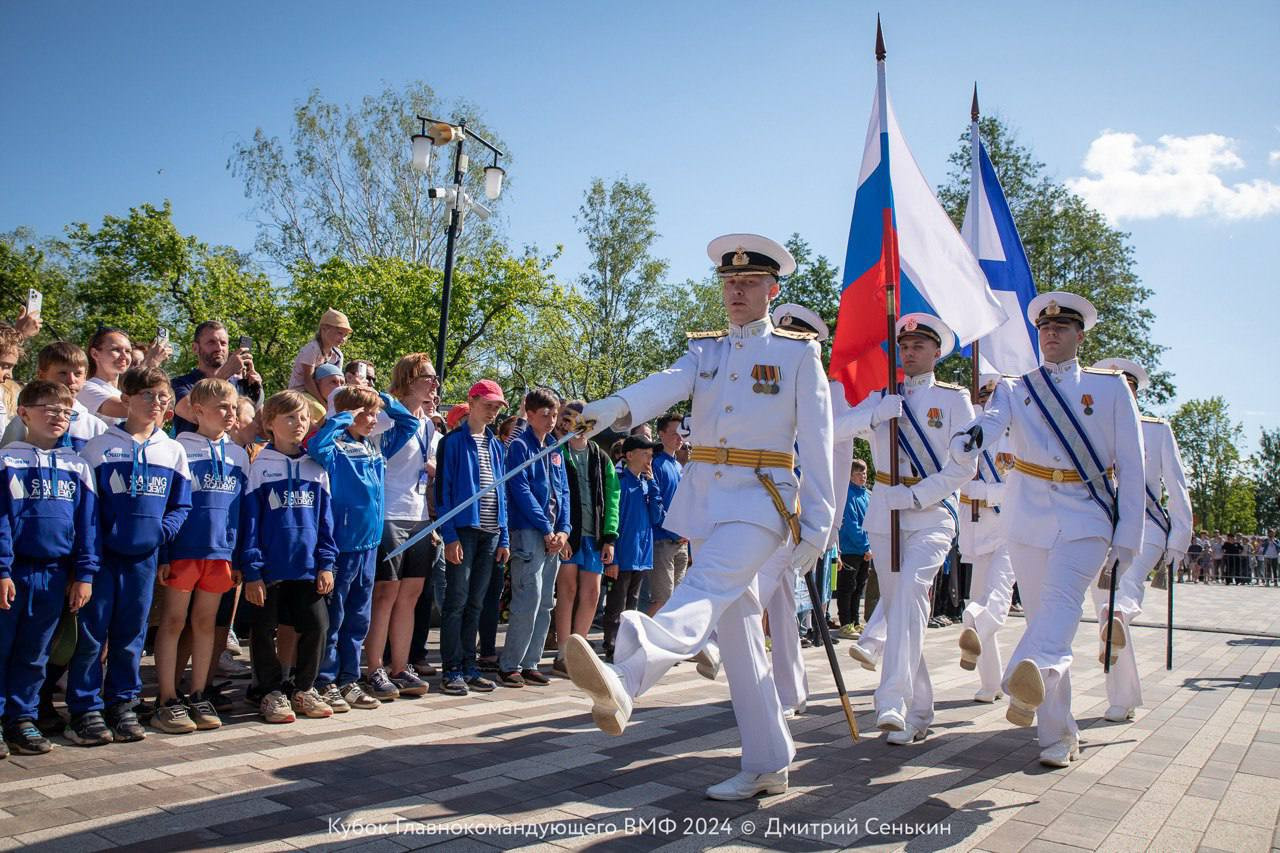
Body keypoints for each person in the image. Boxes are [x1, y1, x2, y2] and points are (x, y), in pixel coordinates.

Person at [569, 233, 835, 800]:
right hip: (709, 501)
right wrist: (612, 409)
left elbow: (818, 443)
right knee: (740, 640)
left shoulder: (796, 353)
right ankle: (769, 759)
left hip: (763, 499)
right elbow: (665, 386)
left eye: (749, 283)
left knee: (702, 586)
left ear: (773, 289)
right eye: (730, 282)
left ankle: (626, 677)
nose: (736, 291)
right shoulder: (705, 350)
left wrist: (818, 524)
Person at [953, 291, 1144, 768]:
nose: (1051, 335)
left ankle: (1033, 669)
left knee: (1060, 605)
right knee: (1043, 617)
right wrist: (971, 436)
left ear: (1080, 335)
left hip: (1088, 512)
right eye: (1044, 329)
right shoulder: (1017, 389)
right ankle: (1056, 736)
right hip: (1028, 515)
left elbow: (1135, 470)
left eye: (1061, 329)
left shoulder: (1110, 388)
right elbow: (993, 423)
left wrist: (1129, 539)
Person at [836, 313, 976, 745]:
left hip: (932, 511)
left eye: (920, 345)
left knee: (913, 590)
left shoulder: (954, 401)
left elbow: (964, 467)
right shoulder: (881, 396)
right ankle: (920, 711)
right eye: (905, 345)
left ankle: (891, 698)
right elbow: (833, 431)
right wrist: (872, 416)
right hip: (883, 512)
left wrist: (916, 496)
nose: (910, 352)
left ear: (937, 352)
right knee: (902, 608)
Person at [70, 367, 192, 744]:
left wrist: (160, 534)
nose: (155, 404)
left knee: (131, 635)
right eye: (147, 396)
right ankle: (85, 709)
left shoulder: (172, 450)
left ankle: (122, 703)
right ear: (126, 398)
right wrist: (87, 562)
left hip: (144, 559)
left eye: (162, 398)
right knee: (92, 635)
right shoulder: (99, 447)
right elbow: (85, 510)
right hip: (104, 557)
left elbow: (181, 505)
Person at [1086, 358, 1192, 721]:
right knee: (1106, 614)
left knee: (1122, 591)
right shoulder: (1091, 430)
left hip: (1148, 527)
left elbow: (1177, 488)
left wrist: (1179, 540)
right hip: (1102, 529)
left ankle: (1123, 610)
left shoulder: (1156, 430)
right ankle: (1123, 697)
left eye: (1129, 387)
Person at [0, 381, 98, 756]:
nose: (58, 417)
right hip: (14, 572)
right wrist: (3, 570)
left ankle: (21, 719)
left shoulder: (77, 464)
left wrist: (83, 574)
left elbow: (87, 525)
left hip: (56, 574)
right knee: (3, 647)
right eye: (49, 409)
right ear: (24, 412)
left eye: (66, 412)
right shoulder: (8, 459)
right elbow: (3, 521)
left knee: (35, 652)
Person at [308, 386, 418, 710]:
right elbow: (314, 446)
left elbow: (408, 425)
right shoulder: (335, 446)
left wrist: (383, 396)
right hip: (341, 546)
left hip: (370, 545)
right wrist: (342, 417)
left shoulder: (374, 447)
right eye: (366, 414)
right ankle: (325, 680)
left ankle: (349, 678)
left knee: (359, 617)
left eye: (374, 414)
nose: (372, 420)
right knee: (334, 617)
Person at [153, 379, 249, 733]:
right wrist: (164, 551)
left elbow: (241, 511)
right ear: (197, 411)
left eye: (233, 407)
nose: (229, 413)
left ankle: (198, 692)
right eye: (221, 407)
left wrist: (238, 556)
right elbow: (168, 505)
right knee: (174, 622)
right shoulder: (179, 447)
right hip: (183, 551)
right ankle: (166, 698)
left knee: (206, 624)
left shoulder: (238, 453)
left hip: (220, 553)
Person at [240, 390, 338, 723]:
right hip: (269, 568)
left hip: (308, 568)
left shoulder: (316, 466)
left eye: (304, 418)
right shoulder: (259, 464)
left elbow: (326, 522)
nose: (299, 424)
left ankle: (303, 687)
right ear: (270, 423)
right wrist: (252, 571)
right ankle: (269, 691)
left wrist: (326, 563)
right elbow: (250, 522)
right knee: (263, 628)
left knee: (317, 625)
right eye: (290, 417)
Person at [369, 354, 439, 698]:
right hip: (388, 513)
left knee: (410, 596)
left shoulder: (429, 423)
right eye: (428, 377)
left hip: (419, 517)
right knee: (385, 594)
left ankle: (400, 665)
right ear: (409, 380)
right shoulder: (386, 416)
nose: (434, 383)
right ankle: (373, 668)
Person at [435, 380, 511, 696]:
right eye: (488, 405)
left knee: (478, 602)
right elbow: (443, 492)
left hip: (491, 532)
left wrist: (504, 536)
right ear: (473, 401)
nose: (493, 411)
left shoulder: (495, 445)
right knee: (457, 600)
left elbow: (501, 490)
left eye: (497, 407)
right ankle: (451, 668)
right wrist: (449, 535)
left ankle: (469, 665)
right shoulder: (452, 443)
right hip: (464, 530)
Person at [500, 388, 571, 687]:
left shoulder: (555, 448)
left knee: (546, 602)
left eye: (555, 415)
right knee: (528, 597)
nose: (551, 421)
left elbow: (563, 491)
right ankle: (511, 663)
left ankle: (531, 661)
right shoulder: (519, 446)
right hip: (530, 532)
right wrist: (545, 528)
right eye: (545, 415)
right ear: (529, 415)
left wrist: (564, 530)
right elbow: (521, 490)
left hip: (554, 535)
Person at [956, 375, 1017, 704]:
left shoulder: (1015, 435)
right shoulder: (967, 432)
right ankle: (990, 682)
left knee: (996, 597)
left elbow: (1019, 485)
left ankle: (974, 626)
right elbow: (955, 478)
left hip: (1009, 526)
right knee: (978, 596)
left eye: (991, 393)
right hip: (976, 529)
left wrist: (984, 492)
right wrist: (973, 491)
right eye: (980, 393)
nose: (985, 399)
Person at [553, 400, 619, 677]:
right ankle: (562, 652)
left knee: (591, 593)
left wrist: (610, 537)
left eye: (585, 419)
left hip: (594, 537)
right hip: (569, 535)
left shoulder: (600, 456)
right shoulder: (557, 451)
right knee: (566, 591)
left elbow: (613, 497)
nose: (579, 425)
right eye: (572, 418)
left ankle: (578, 653)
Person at [602, 436, 665, 658]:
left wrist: (654, 484)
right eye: (645, 453)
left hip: (642, 554)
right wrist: (614, 559)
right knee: (616, 602)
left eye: (651, 454)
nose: (649, 458)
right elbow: (613, 520)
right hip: (624, 553)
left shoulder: (646, 483)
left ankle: (626, 643)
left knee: (633, 602)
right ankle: (611, 643)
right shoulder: (620, 481)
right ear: (629, 456)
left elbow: (658, 517)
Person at [1, 342, 108, 451]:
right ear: (41, 375)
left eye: (78, 374)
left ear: (85, 377)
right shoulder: (26, 420)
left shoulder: (96, 427)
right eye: (62, 373)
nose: (71, 380)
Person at [170, 321, 264, 435]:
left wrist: (258, 391)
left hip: (234, 451)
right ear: (195, 348)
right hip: (194, 451)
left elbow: (261, 430)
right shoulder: (180, 384)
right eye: (211, 342)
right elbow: (192, 414)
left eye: (223, 343)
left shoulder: (239, 385)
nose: (219, 348)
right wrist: (224, 375)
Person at [648, 414, 688, 616]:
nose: (679, 438)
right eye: (673, 433)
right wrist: (674, 531)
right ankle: (637, 642)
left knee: (677, 601)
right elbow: (656, 505)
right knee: (662, 600)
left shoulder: (678, 466)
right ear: (661, 434)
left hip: (681, 541)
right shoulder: (655, 464)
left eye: (681, 433)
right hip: (662, 541)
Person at [290, 308, 352, 402]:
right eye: (339, 333)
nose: (343, 338)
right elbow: (308, 381)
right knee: (319, 410)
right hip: (299, 394)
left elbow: (336, 382)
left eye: (345, 335)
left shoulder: (338, 355)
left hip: (323, 395)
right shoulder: (312, 349)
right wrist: (323, 403)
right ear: (324, 328)